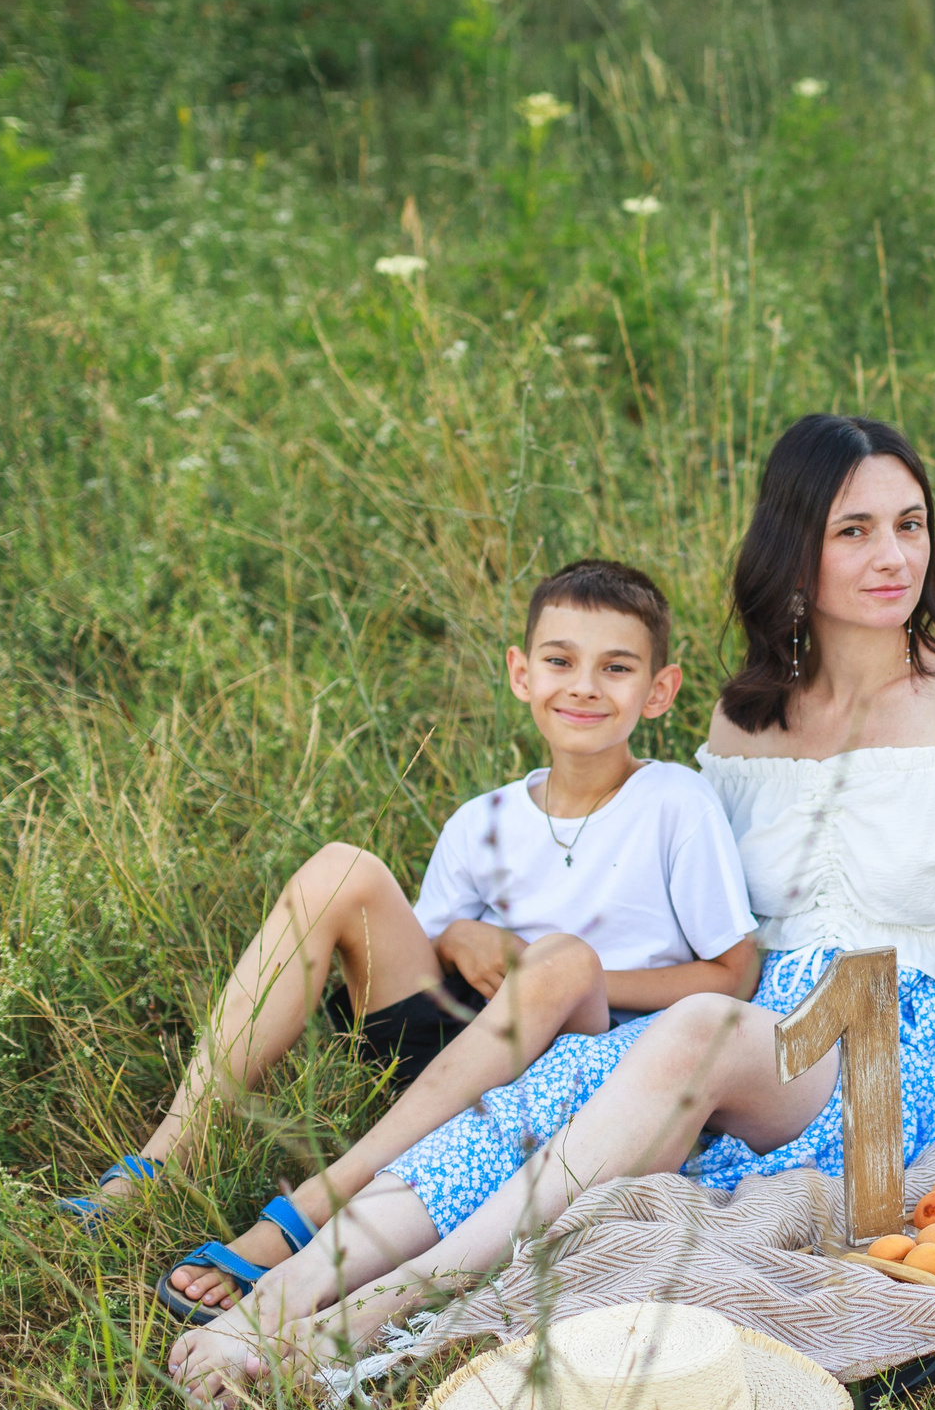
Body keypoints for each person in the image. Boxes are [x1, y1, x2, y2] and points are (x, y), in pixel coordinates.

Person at [169, 414, 935, 1408]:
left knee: (694, 1030)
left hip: (882, 1042)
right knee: (554, 1086)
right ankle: (282, 1296)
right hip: (763, 1028)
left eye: (910, 525)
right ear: (795, 547)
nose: (893, 557)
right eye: (854, 530)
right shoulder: (747, 717)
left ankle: (363, 1321)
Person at [61, 560, 761, 1323]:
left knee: (565, 959)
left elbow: (733, 974)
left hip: (580, 1067)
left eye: (616, 667)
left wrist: (547, 968)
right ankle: (166, 1153)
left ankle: (323, 1198)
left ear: (659, 690)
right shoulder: (484, 817)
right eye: (560, 660)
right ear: (522, 673)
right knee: (342, 868)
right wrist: (460, 935)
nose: (585, 686)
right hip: (454, 1050)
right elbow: (426, 944)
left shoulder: (675, 803)